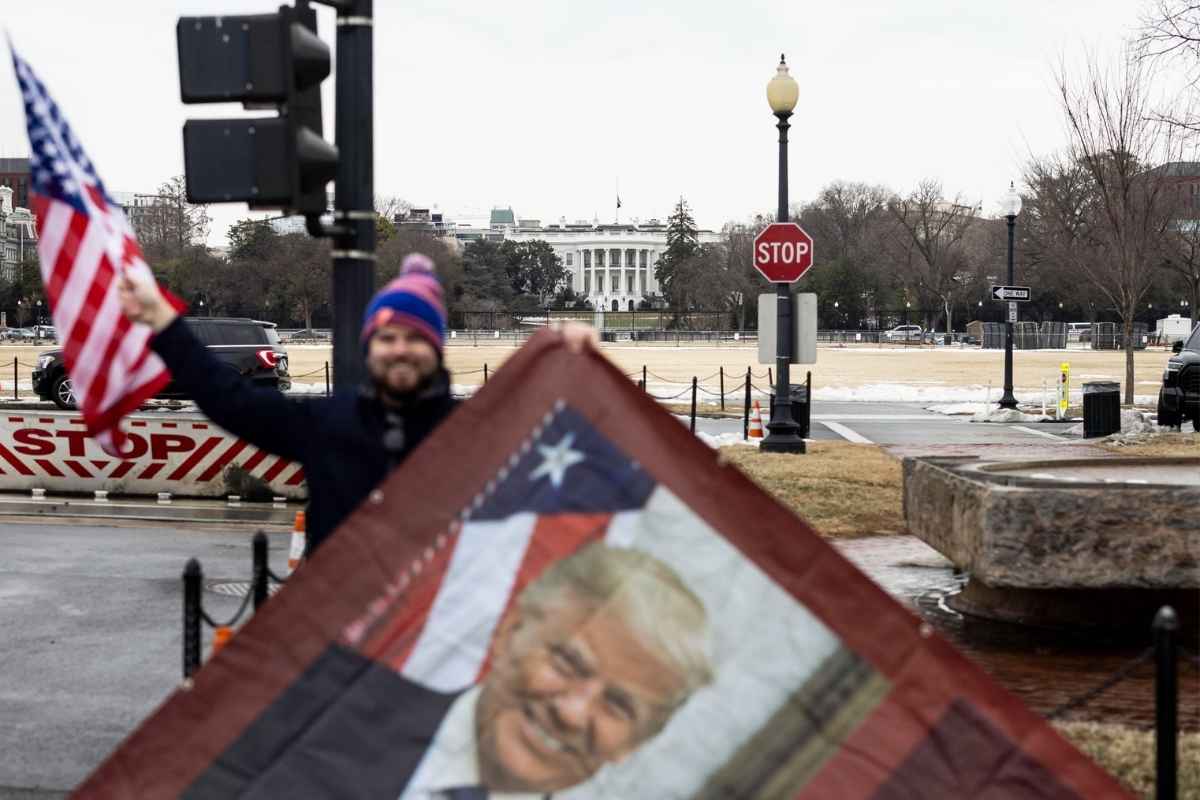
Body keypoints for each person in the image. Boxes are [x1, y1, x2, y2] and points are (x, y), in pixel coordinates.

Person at [117, 253, 598, 555]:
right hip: (336, 646)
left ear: (436, 347)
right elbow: (230, 401)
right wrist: (161, 319)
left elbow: (585, 462)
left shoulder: (473, 430)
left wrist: (578, 371)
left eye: (416, 336)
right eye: (388, 336)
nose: (401, 348)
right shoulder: (329, 422)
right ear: (370, 347)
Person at [182, 542, 713, 799]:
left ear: (644, 738)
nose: (574, 712)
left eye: (619, 704)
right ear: (511, 632)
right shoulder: (311, 713)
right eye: (567, 661)